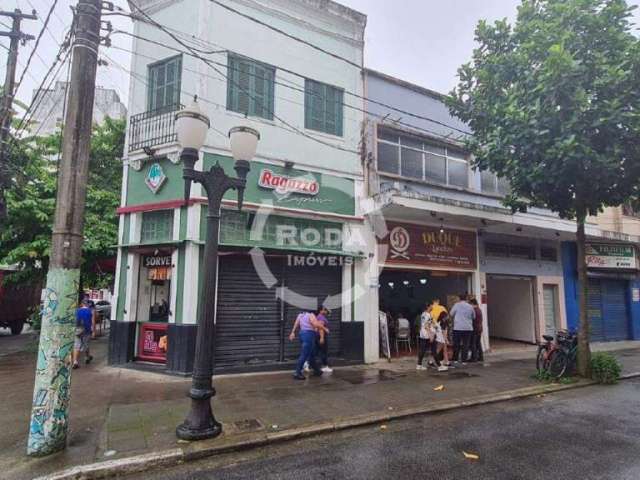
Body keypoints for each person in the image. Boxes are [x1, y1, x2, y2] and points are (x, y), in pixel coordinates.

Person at [289, 310, 329, 380]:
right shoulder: (311, 315)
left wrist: (293, 332)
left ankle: (317, 370)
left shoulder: (301, 315)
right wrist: (324, 328)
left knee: (311, 354)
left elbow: (296, 323)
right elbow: (315, 324)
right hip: (309, 334)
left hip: (302, 334)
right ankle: (297, 372)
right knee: (305, 354)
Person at [416, 305, 448, 372]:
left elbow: (427, 324)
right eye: (430, 306)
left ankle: (419, 365)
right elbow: (427, 325)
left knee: (422, 350)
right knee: (434, 350)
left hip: (423, 334)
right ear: (427, 307)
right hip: (428, 335)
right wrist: (431, 334)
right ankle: (439, 366)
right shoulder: (427, 315)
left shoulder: (423, 314)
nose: (432, 307)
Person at [450, 293, 475, 364]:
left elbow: (451, 314)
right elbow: (474, 316)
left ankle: (455, 359)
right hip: (468, 328)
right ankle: (464, 360)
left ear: (459, 298)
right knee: (466, 344)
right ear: (466, 298)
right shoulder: (470, 306)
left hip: (458, 328)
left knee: (456, 344)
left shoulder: (456, 305)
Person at [73, 299, 94, 369]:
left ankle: (75, 362)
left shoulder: (77, 311)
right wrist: (93, 331)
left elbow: (74, 321)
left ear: (82, 304)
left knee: (77, 346)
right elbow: (93, 322)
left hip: (77, 331)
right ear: (88, 304)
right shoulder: (90, 311)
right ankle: (87, 358)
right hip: (86, 331)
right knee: (86, 344)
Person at [315, 307, 333, 373]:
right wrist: (322, 337)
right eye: (324, 310)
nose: (325, 311)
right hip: (321, 336)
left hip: (318, 336)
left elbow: (329, 313)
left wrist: (328, 311)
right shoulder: (321, 318)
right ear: (320, 311)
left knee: (316, 351)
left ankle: (307, 364)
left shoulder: (320, 316)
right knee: (324, 351)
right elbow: (320, 328)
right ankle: (324, 366)